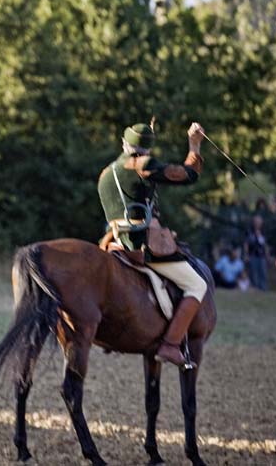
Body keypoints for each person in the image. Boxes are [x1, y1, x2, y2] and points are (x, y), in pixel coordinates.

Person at [97, 121, 208, 367]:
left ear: (124, 144)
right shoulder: (143, 164)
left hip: (112, 242)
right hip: (140, 244)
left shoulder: (105, 172)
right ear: (147, 149)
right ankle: (170, 345)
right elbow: (189, 174)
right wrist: (194, 144)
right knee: (197, 284)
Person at [244, 215, 269, 290]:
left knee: (263, 273)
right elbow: (246, 244)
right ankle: (255, 288)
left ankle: (263, 289)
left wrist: (267, 255)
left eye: (259, 222)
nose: (258, 223)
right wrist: (247, 255)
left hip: (262, 256)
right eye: (256, 222)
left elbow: (265, 245)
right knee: (253, 273)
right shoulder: (249, 231)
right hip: (252, 255)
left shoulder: (264, 232)